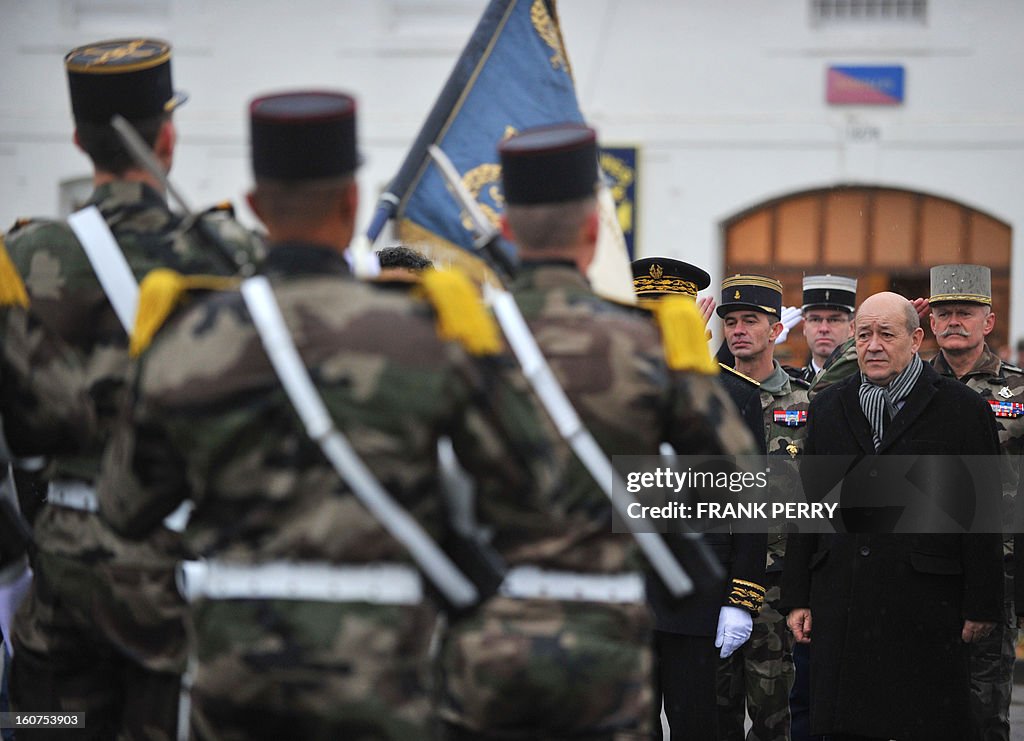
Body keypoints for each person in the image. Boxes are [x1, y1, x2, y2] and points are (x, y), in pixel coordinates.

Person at [99, 90, 574, 739]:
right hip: (380, 668)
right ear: (353, 203)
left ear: (258, 208)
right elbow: (527, 483)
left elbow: (125, 506)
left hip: (238, 664)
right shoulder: (424, 333)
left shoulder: (190, 335)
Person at [435, 123, 760, 740]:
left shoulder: (463, 343)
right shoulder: (645, 354)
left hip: (490, 619)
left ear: (506, 231)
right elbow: (739, 472)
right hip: (606, 623)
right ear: (593, 236)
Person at [2, 39, 264, 739]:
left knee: (42, 722)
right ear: (167, 135)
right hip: (179, 571)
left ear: (80, 140)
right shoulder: (228, 254)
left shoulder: (24, 257)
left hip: (61, 571)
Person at [781, 291, 1005, 741]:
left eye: (886, 334)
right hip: (843, 596)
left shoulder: (961, 409)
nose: (873, 345)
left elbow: (982, 517)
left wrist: (982, 603)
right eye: (864, 335)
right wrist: (798, 595)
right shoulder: (829, 407)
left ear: (916, 338)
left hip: (926, 600)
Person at [632, 255, 768, 739]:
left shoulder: (735, 395)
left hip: (701, 591)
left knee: (697, 725)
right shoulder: (609, 389)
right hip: (627, 591)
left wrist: (742, 596)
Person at [926, 264, 1023, 741]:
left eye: (965, 312)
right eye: (943, 314)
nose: (952, 322)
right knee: (919, 701)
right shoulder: (910, 386)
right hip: (923, 564)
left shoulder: (1019, 391)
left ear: (988, 321)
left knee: (985, 706)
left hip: (998, 566)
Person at [714, 274, 809, 741]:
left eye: (750, 321)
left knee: (774, 715)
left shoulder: (804, 403)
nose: (738, 331)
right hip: (716, 571)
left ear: (775, 330)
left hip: (776, 582)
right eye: (730, 321)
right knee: (713, 712)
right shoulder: (709, 398)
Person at [784, 274, 856, 384]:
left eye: (834, 320)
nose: (823, 328)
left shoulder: (863, 385)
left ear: (851, 327)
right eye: (815, 320)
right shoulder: (788, 384)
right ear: (804, 326)